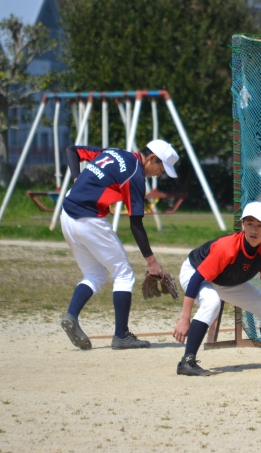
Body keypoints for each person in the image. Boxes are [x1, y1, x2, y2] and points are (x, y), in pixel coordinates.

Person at [59, 140, 179, 351]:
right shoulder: (135, 175)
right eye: (161, 168)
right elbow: (136, 224)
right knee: (124, 274)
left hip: (67, 216)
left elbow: (72, 150)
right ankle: (121, 336)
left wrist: (76, 178)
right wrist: (152, 262)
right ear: (152, 158)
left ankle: (71, 316)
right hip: (88, 219)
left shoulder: (114, 153)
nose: (159, 173)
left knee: (94, 275)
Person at [172, 201, 261, 376]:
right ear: (242, 224)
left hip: (226, 280)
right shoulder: (227, 247)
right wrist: (184, 318)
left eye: (260, 225)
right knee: (211, 302)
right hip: (195, 272)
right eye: (249, 223)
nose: (254, 230)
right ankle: (186, 362)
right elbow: (197, 278)